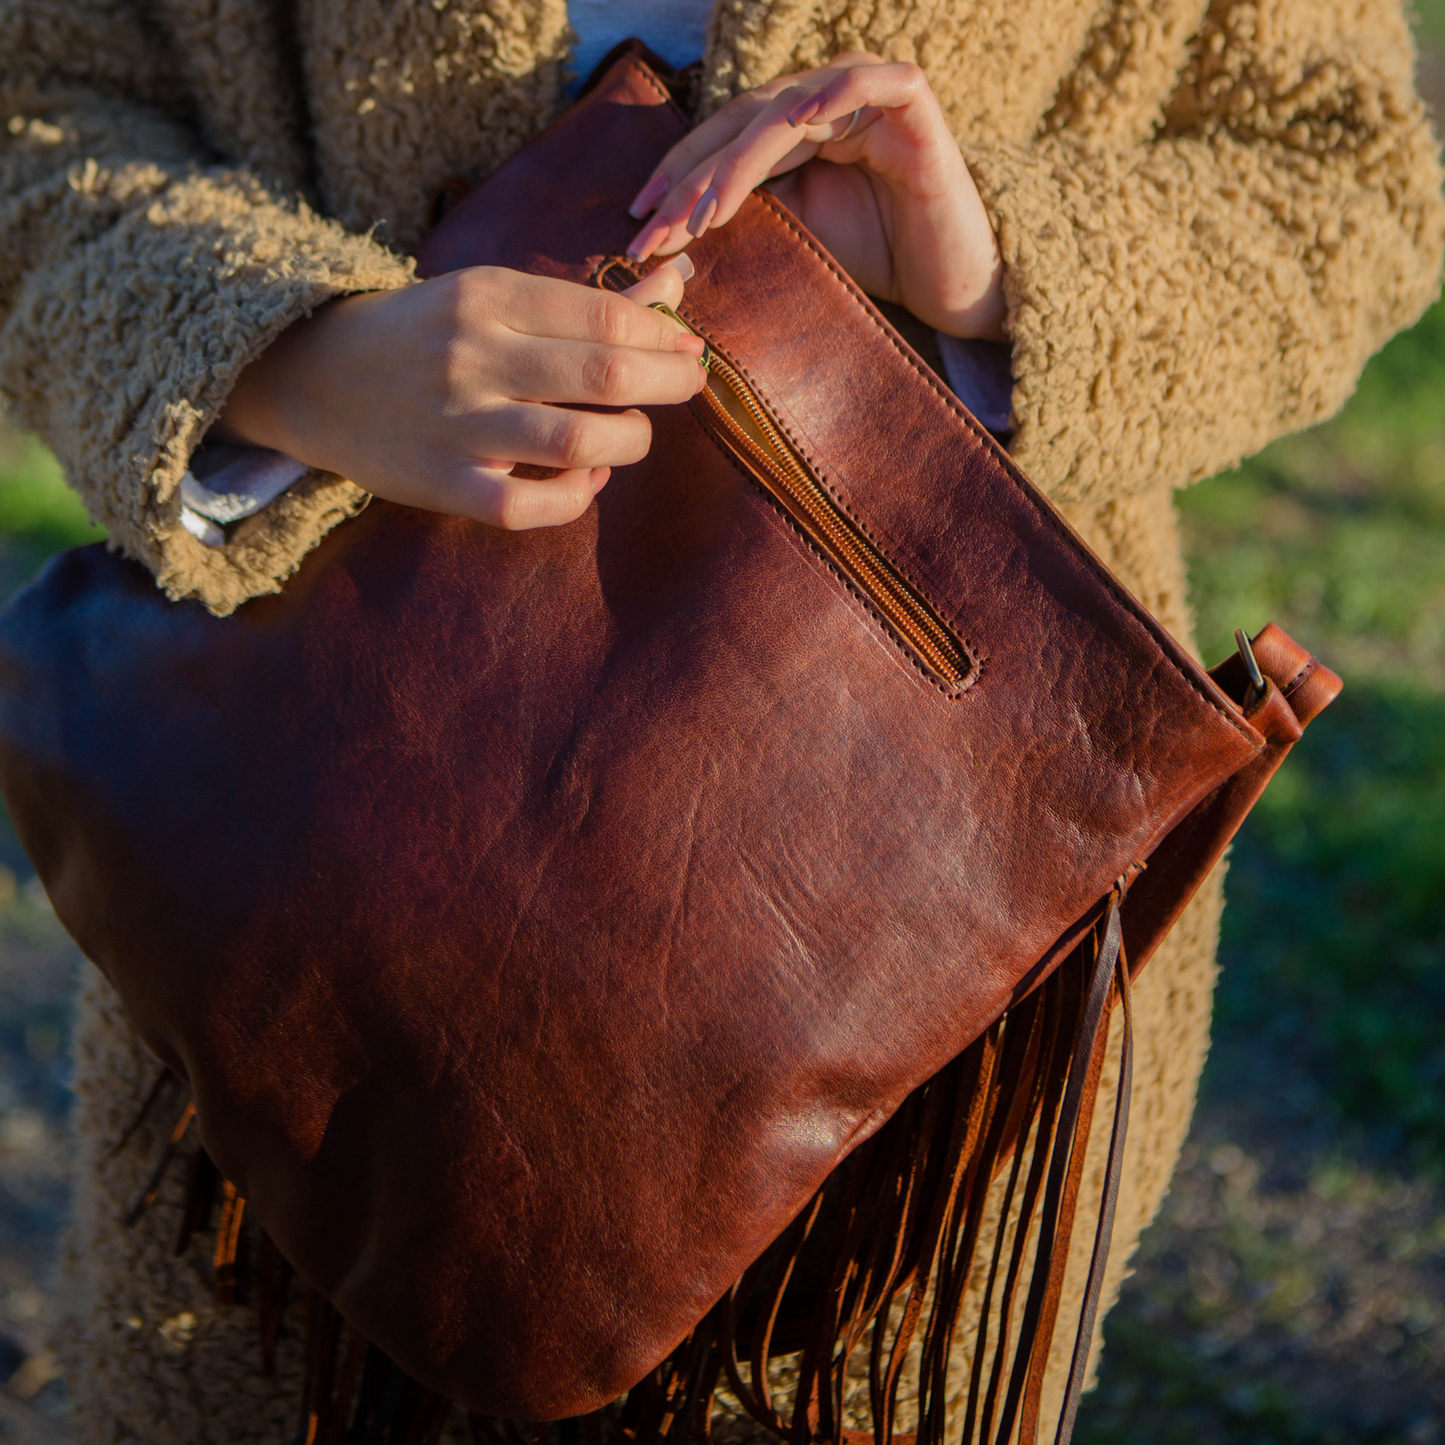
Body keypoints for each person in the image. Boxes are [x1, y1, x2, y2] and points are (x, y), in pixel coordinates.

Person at [2, 0, 1440, 1440]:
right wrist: (286, 355)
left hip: (901, 993)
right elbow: (40, 104)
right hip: (296, 928)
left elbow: (1349, 179)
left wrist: (994, 263)